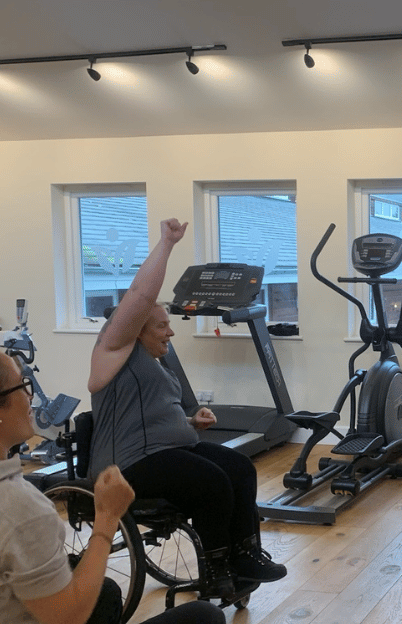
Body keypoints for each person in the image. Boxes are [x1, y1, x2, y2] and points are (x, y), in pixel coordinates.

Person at [0, 351, 254, 624]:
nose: (29, 396)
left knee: (110, 596)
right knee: (205, 621)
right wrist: (106, 522)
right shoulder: (22, 509)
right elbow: (68, 617)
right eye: (22, 387)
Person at [88, 218, 285, 598]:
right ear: (134, 329)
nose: (171, 331)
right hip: (125, 463)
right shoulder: (112, 352)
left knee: (240, 468)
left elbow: (151, 416)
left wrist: (189, 423)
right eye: (161, 326)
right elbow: (140, 296)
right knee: (209, 482)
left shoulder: (154, 364)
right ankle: (215, 569)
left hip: (163, 453)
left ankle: (244, 557)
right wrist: (167, 243)